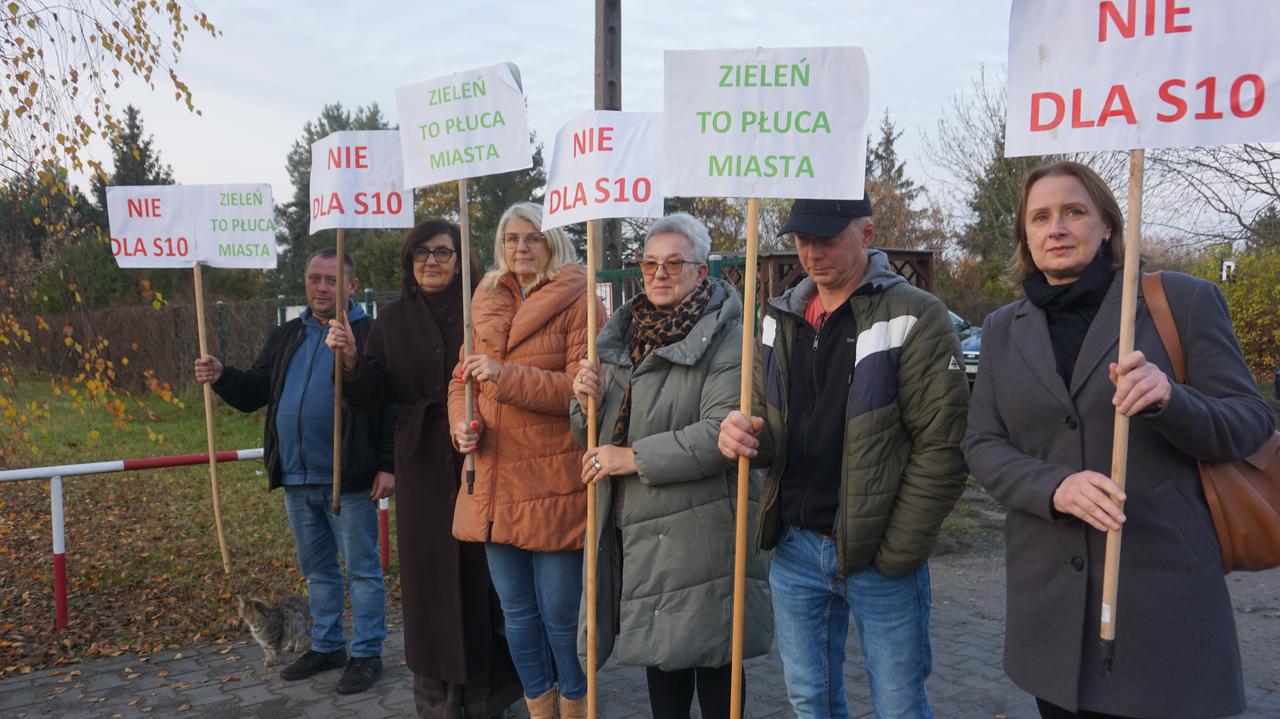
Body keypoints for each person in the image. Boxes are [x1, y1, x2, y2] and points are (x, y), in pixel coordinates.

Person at [962, 161, 1276, 719]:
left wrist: (1171, 400)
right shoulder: (1003, 329)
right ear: (1025, 237)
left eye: (1074, 212)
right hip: (1049, 612)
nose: (1057, 228)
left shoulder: (1180, 302)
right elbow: (983, 443)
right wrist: (1054, 487)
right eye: (1040, 217)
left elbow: (1249, 422)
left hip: (1160, 606)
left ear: (1107, 224)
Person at [717, 198, 969, 719]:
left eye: (827, 238)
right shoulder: (779, 316)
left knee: (899, 706)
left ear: (867, 233)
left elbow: (942, 448)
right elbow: (767, 423)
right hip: (795, 548)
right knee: (810, 702)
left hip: (880, 555)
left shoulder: (916, 314)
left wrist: (896, 551)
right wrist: (742, 435)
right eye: (802, 239)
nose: (812, 253)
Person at [569, 213, 773, 719]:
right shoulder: (623, 336)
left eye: (674, 263)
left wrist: (631, 458)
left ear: (701, 272)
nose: (659, 274)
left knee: (715, 664)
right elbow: (595, 438)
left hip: (703, 531)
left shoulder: (728, 338)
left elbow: (722, 434)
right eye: (650, 264)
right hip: (641, 530)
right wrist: (585, 401)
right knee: (663, 665)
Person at [325, 220, 523, 718]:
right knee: (429, 585)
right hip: (422, 469)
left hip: (485, 457)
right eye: (421, 253)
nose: (431, 261)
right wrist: (351, 361)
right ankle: (439, 702)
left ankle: (491, 697)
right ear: (409, 261)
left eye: (443, 252)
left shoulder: (485, 306)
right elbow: (371, 397)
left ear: (461, 260)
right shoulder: (392, 318)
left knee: (485, 579)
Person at [193, 248, 390, 694]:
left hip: (349, 477)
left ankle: (367, 653)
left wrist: (388, 465)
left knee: (362, 570)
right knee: (317, 570)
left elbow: (388, 401)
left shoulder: (370, 333)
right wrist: (222, 375)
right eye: (314, 278)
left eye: (332, 280)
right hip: (298, 476)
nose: (321, 287)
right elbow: (256, 390)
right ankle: (327, 645)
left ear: (352, 286)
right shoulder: (287, 335)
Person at [449, 202, 600, 719]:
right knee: (516, 613)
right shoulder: (485, 299)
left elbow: (579, 392)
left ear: (553, 241)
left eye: (532, 237)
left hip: (551, 480)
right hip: (492, 479)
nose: (521, 248)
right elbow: (461, 381)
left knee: (561, 615)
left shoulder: (579, 298)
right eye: (512, 238)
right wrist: (460, 424)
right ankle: (540, 706)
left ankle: (576, 705)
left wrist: (503, 375)